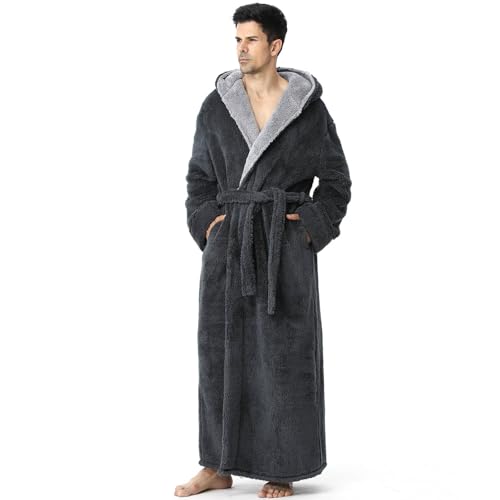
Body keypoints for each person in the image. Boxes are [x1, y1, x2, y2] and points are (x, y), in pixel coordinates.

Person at [176, 3, 352, 498]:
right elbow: (199, 179)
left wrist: (309, 227)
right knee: (218, 353)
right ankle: (217, 464)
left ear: (275, 46)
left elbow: (336, 182)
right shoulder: (216, 107)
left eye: (251, 40)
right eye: (237, 39)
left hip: (283, 250)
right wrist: (209, 224)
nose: (241, 49)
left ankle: (283, 466)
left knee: (285, 355)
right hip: (229, 245)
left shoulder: (308, 111)